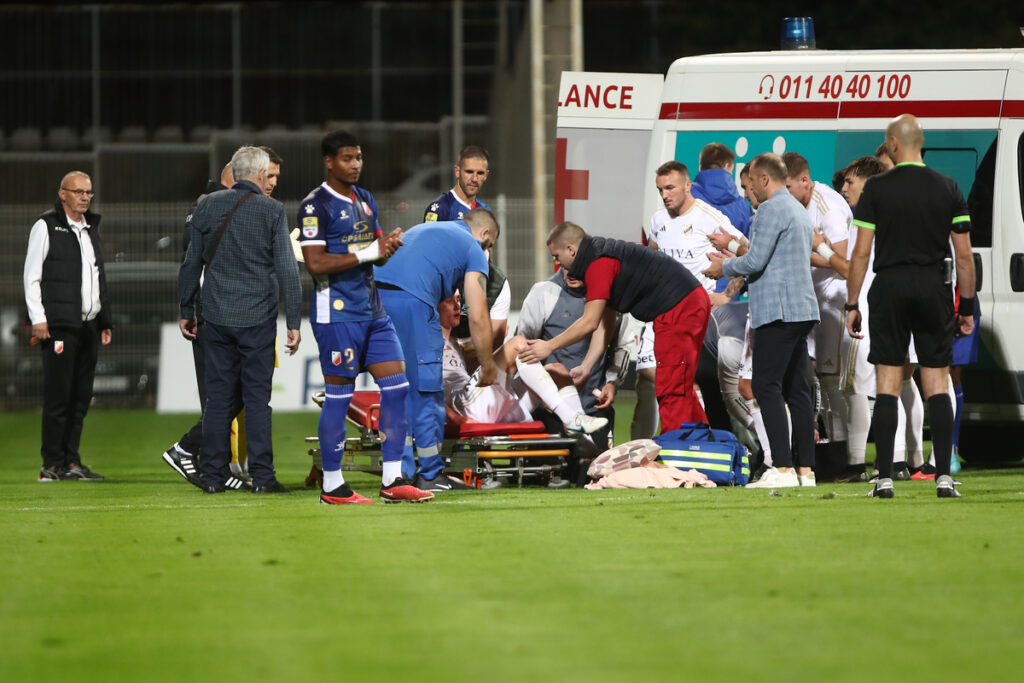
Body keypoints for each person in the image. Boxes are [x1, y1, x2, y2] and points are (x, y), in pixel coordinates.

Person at [295, 130, 433, 505]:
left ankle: (393, 480)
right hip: (337, 314)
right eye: (347, 158)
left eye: (359, 158)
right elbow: (315, 262)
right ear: (329, 161)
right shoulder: (315, 206)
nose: (355, 165)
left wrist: (386, 247)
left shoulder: (365, 200)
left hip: (372, 311)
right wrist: (370, 251)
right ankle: (332, 486)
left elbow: (373, 253)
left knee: (397, 387)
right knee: (340, 396)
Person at [846, 114, 975, 499]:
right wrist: (965, 307)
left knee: (887, 382)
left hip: (889, 286)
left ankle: (884, 477)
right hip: (934, 286)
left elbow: (861, 253)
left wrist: (852, 303)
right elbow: (964, 258)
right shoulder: (948, 187)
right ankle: (943, 477)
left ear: (893, 144)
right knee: (937, 381)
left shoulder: (876, 191)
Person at [178, 146, 303, 494]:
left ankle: (212, 477)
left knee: (217, 400)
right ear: (261, 175)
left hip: (215, 317)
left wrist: (186, 309)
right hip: (257, 320)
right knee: (256, 400)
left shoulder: (207, 206)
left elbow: (191, 264)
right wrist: (294, 320)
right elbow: (286, 269)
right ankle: (263, 478)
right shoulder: (272, 211)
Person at [519, 222, 710, 434]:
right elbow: (604, 325)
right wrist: (587, 366)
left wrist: (549, 346)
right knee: (679, 384)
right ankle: (699, 441)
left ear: (571, 250)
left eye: (556, 256)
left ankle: (678, 451)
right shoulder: (598, 257)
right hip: (685, 304)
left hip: (680, 307)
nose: (556, 262)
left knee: (671, 387)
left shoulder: (597, 264)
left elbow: (588, 322)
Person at [704, 152, 820, 489]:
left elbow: (755, 261)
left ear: (764, 179)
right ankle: (805, 471)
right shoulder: (797, 209)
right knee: (798, 391)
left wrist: (721, 268)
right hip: (801, 310)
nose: (748, 190)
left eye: (750, 182)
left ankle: (781, 468)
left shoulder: (770, 209)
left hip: (777, 311)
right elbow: (771, 259)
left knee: (765, 386)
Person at [374, 208, 499, 491]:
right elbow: (478, 315)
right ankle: (430, 474)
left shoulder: (424, 230)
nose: (488, 252)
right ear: (485, 234)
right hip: (411, 303)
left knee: (395, 388)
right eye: (490, 246)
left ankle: (397, 473)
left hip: (374, 297)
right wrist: (488, 365)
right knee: (426, 389)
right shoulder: (472, 246)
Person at [632, 160, 745, 438]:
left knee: (689, 379)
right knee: (647, 377)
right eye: (660, 189)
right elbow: (653, 256)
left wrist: (726, 295)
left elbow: (747, 253)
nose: (665, 195)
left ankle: (705, 439)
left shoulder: (709, 218)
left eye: (670, 188)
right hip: (661, 312)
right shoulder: (659, 219)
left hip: (694, 313)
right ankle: (645, 448)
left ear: (687, 185)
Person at [24, 171, 111, 482]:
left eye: (89, 192)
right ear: (62, 194)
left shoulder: (89, 229)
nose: (85, 197)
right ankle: (52, 464)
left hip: (88, 326)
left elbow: (98, 277)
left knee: (80, 398)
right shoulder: (46, 226)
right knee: (59, 397)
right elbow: (32, 275)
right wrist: (38, 318)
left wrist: (105, 320)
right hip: (60, 325)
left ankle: (71, 462)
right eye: (78, 192)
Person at [440, 293, 606, 436]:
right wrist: (455, 419)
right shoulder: (426, 342)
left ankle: (586, 442)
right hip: (465, 408)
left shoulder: (455, 343)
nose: (457, 306)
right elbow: (421, 391)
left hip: (483, 404)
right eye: (449, 301)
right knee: (518, 343)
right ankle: (571, 419)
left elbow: (473, 373)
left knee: (557, 371)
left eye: (458, 299)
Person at [162, 162, 235, 487]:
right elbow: (192, 263)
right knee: (221, 396)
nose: (268, 184)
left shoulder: (210, 206)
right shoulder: (208, 208)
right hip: (211, 315)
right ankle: (192, 454)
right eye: (265, 177)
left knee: (228, 394)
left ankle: (216, 467)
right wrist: (189, 308)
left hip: (223, 313)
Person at [516, 267, 633, 449]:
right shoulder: (543, 292)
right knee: (547, 474)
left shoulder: (611, 298)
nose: (570, 272)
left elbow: (622, 346)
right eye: (565, 266)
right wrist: (542, 393)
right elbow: (523, 348)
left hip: (594, 407)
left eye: (577, 265)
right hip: (548, 412)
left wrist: (612, 383)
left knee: (596, 472)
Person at [783, 152, 852, 456]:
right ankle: (829, 448)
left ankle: (846, 453)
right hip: (810, 298)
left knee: (832, 380)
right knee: (816, 379)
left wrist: (798, 252)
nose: (782, 194)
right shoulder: (795, 204)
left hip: (832, 298)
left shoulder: (829, 208)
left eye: (787, 187)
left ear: (804, 181)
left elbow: (841, 261)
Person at [424, 145, 511, 346]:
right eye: (469, 172)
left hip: (472, 299)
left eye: (480, 173)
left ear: (486, 175)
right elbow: (428, 258)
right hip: (444, 302)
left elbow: (488, 258)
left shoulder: (485, 212)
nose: (474, 178)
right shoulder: (439, 209)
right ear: (457, 171)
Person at [691, 142, 753, 237]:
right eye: (732, 171)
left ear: (700, 166)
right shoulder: (744, 206)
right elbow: (748, 247)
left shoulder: (685, 196)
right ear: (726, 166)